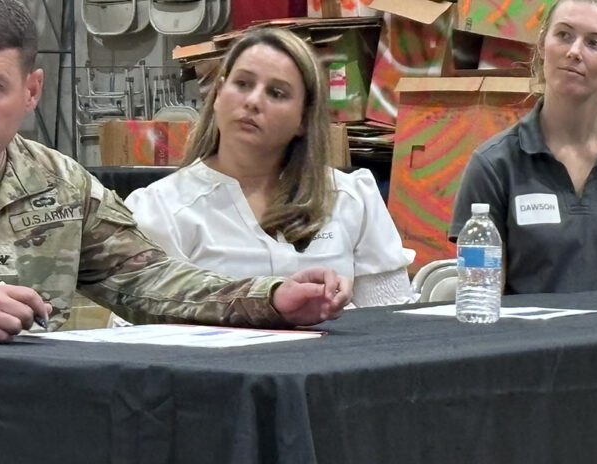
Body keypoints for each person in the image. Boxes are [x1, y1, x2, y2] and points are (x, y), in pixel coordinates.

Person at [0, 0, 352, 464]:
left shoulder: (60, 183)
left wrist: (272, 298)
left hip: (31, 424)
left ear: (31, 91)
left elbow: (149, 279)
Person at [124, 28, 413, 307]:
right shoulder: (161, 210)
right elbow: (134, 337)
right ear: (219, 94)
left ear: (303, 119)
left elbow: (390, 323)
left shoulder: (350, 198)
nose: (252, 101)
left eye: (276, 93)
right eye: (243, 84)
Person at [449, 0, 597, 294]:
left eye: (595, 43)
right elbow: (480, 303)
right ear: (542, 44)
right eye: (564, 35)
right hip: (528, 340)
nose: (574, 51)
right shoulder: (493, 165)